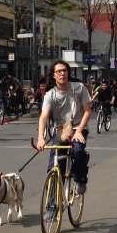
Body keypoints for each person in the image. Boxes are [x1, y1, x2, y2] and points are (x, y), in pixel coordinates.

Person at [36, 60, 91, 194]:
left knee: (78, 151)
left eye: (64, 70)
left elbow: (88, 111)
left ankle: (80, 179)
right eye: (59, 71)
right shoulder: (50, 95)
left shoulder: (79, 88)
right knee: (54, 166)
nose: (62, 73)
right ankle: (52, 204)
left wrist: (78, 131)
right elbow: (43, 117)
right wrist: (40, 138)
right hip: (60, 132)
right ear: (53, 75)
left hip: (79, 128)